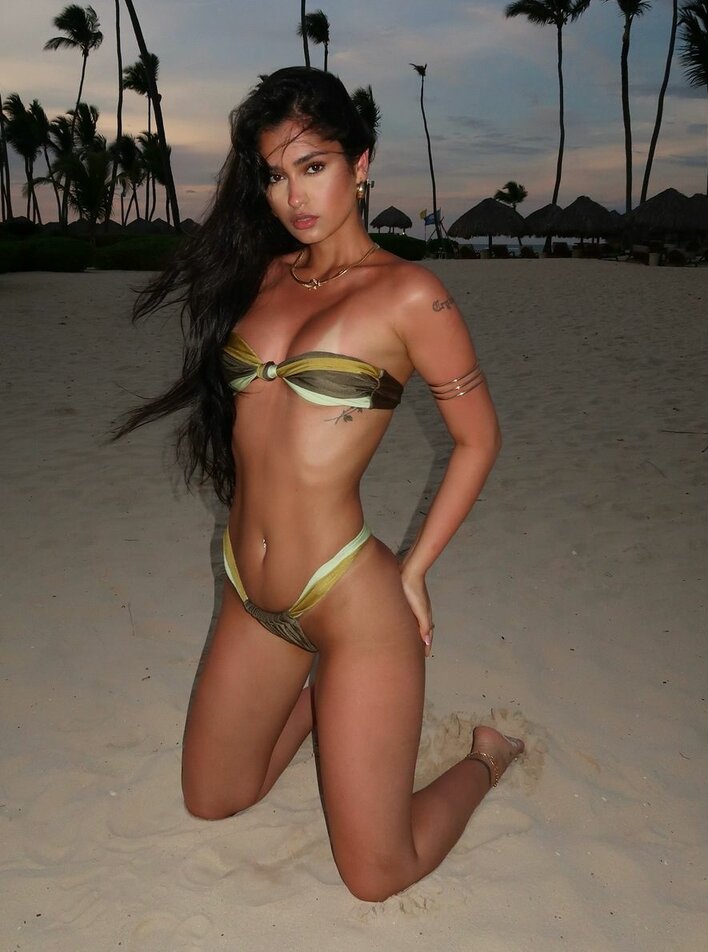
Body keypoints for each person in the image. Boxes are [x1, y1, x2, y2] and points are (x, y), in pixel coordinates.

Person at [118, 67, 523, 901]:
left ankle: (488, 759)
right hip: (251, 592)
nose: (294, 195)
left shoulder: (411, 295)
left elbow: (478, 439)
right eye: (275, 174)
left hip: (346, 597)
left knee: (377, 875)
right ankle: (324, 700)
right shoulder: (264, 277)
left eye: (314, 166)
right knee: (211, 798)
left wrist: (414, 569)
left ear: (360, 164)